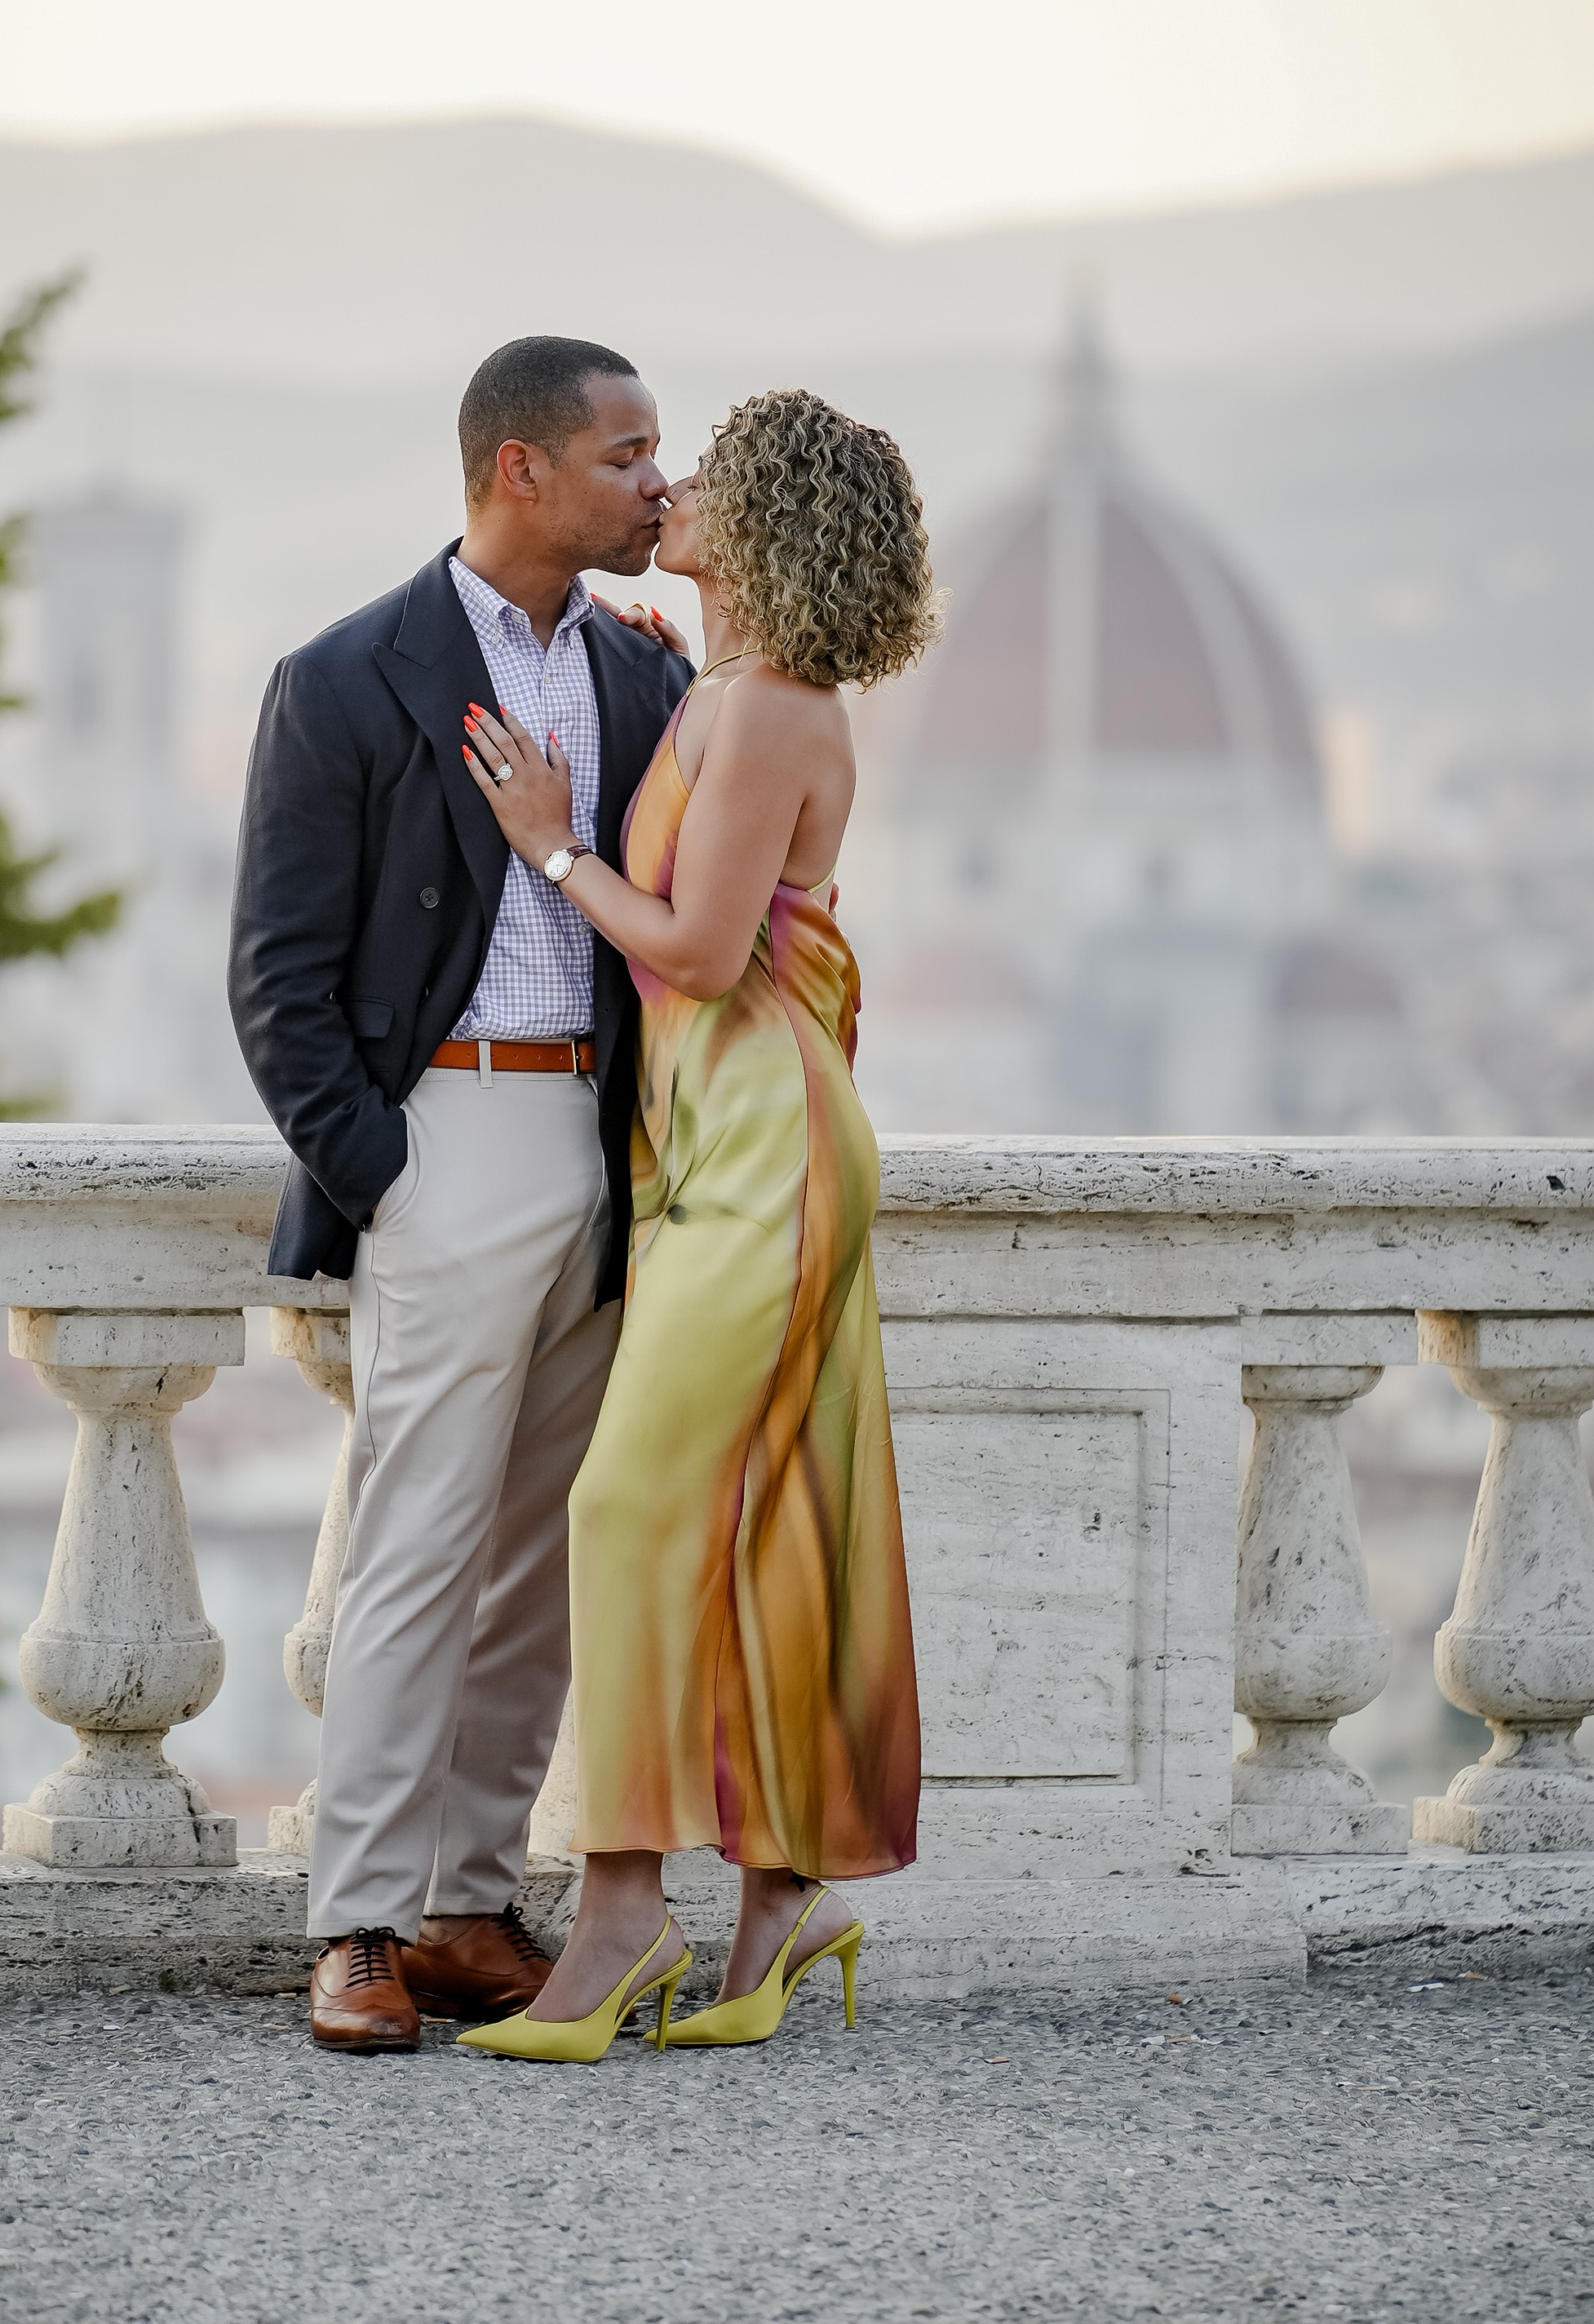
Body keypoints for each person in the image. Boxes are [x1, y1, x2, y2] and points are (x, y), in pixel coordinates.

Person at [451, 385, 935, 2062]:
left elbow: (705, 950)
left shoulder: (779, 709)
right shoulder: (730, 689)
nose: (672, 487)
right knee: (766, 1528)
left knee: (629, 1505)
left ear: (771, 522)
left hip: (762, 1155)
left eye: (705, 477)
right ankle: (786, 1908)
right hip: (714, 1151)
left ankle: (618, 1915)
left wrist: (550, 848)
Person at [228, 334, 693, 2053]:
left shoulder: (648, 682)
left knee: (544, 1558)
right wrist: (386, 1172)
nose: (657, 481)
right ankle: (352, 1921)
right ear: (521, 469)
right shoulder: (345, 677)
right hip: (452, 1140)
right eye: (627, 455)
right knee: (415, 1543)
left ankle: (466, 1903)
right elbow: (278, 975)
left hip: (608, 1156)